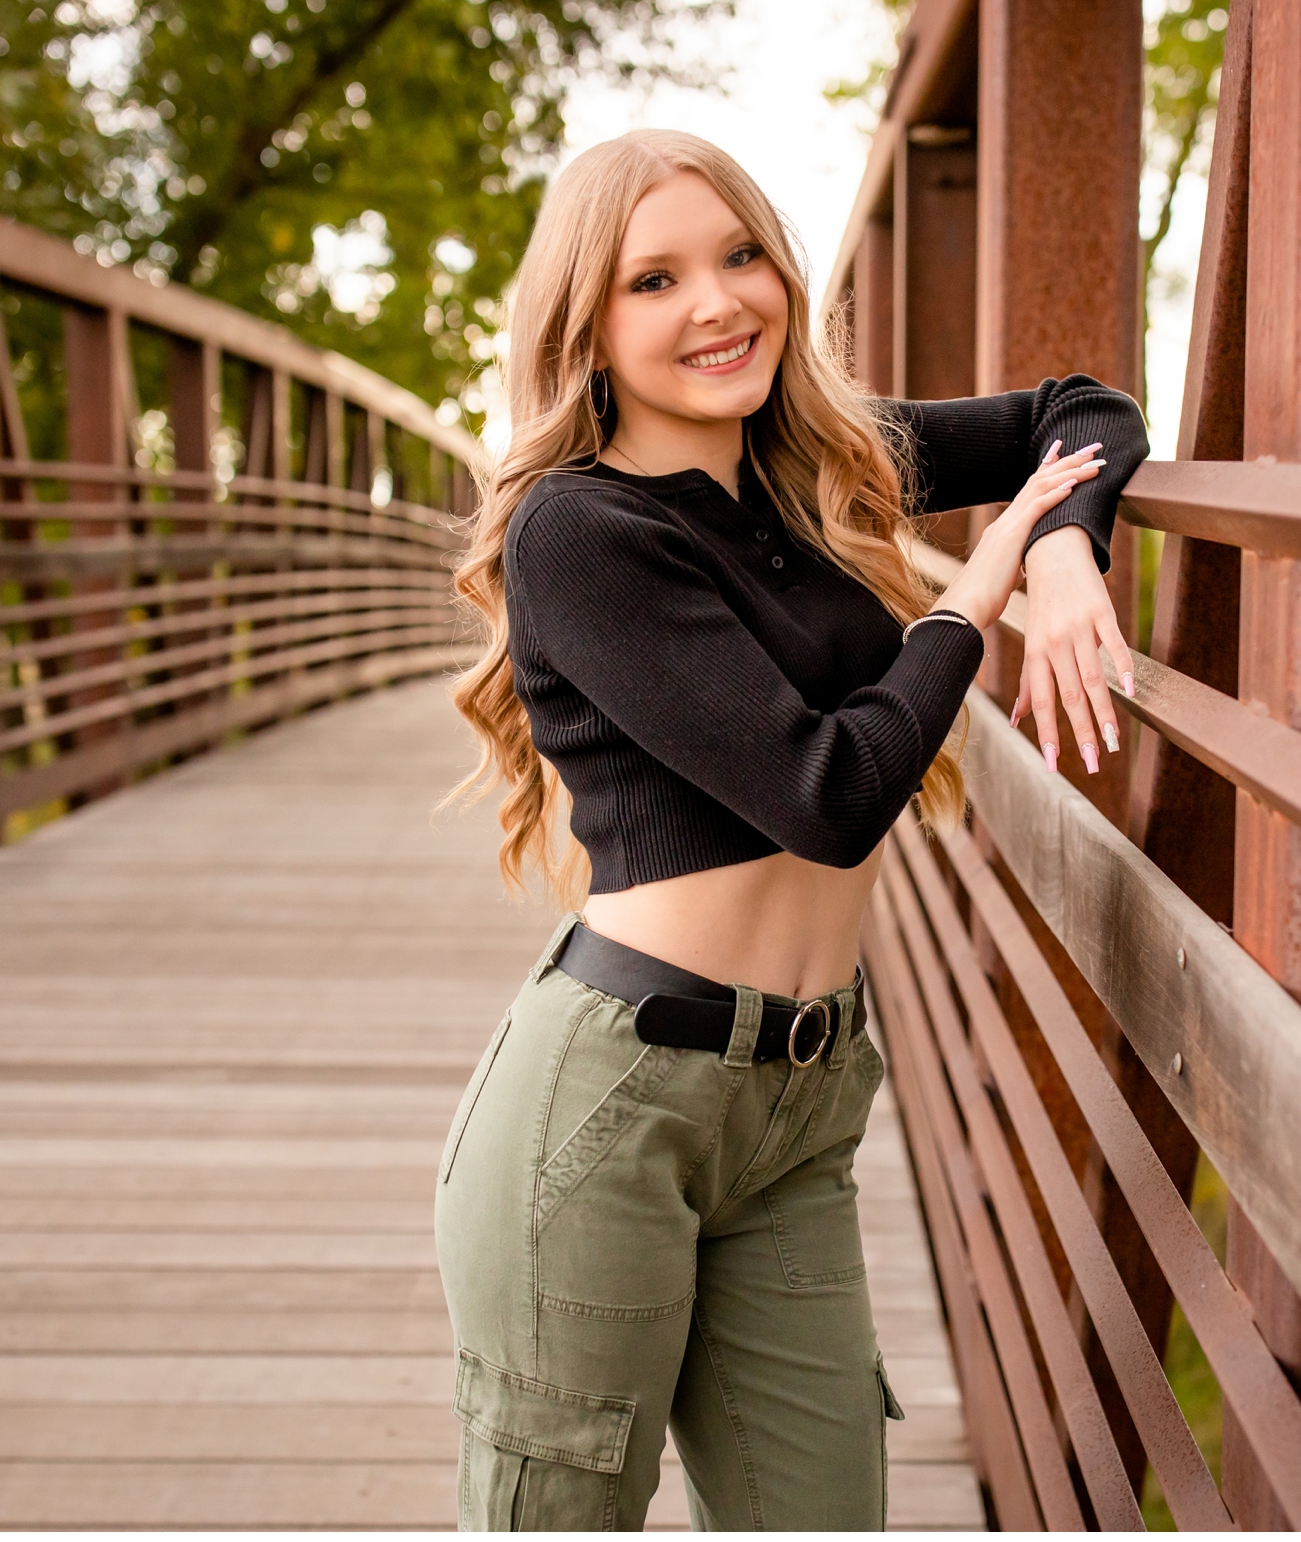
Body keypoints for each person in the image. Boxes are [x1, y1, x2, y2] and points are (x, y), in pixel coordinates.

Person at [436, 129, 1145, 1531]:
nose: (718, 304)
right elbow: (830, 795)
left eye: (741, 254)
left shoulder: (814, 465)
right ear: (587, 326)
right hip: (616, 1111)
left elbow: (1086, 406)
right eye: (656, 280)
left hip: (804, 1104)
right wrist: (979, 592)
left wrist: (1065, 541)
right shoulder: (578, 533)